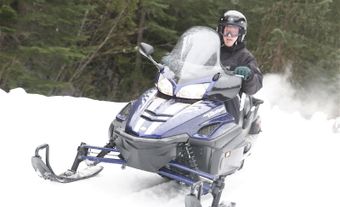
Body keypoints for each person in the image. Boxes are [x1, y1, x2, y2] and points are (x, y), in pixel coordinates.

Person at [217, 10, 263, 123]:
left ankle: (232, 128)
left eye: (233, 32)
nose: (229, 36)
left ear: (240, 34)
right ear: (221, 30)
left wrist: (249, 76)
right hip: (208, 94)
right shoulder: (213, 50)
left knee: (230, 96)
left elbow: (256, 84)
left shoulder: (245, 57)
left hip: (230, 101)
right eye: (226, 31)